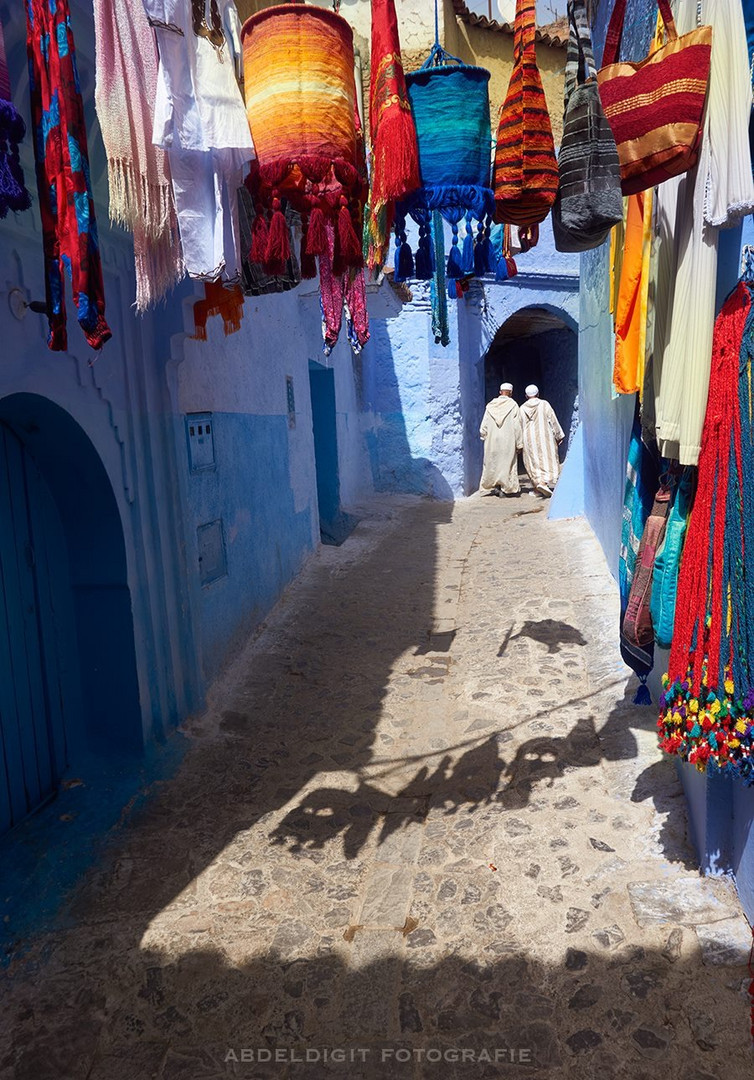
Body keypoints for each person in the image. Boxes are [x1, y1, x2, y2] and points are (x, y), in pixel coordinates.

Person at [520, 384, 564, 497]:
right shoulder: (544, 404)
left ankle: (538, 487)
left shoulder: (522, 408)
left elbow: (519, 425)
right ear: (538, 394)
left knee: (533, 461)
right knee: (546, 458)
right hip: (545, 435)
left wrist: (519, 443)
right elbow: (552, 419)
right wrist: (559, 435)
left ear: (526, 396)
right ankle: (544, 482)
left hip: (529, 438)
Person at [479, 382, 523, 496]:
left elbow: (484, 425)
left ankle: (496, 486)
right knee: (506, 463)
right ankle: (505, 488)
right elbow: (517, 426)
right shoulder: (513, 405)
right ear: (511, 393)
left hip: (492, 440)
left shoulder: (490, 406)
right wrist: (519, 443)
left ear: (500, 392)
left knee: (494, 462)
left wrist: (483, 435)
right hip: (508, 440)